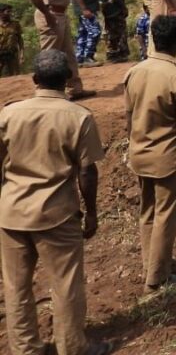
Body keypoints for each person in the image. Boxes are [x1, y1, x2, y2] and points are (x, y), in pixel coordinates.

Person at [0, 50, 111, 355]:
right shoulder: (79, 116)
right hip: (57, 214)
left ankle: (25, 348)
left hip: (11, 214)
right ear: (67, 81)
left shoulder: (8, 113)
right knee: (65, 284)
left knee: (16, 286)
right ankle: (72, 346)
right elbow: (87, 171)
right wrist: (91, 213)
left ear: (34, 79)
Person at [123, 15, 176, 296]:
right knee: (167, 217)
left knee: (148, 213)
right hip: (168, 159)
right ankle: (157, 280)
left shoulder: (135, 72)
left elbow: (129, 117)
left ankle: (155, 265)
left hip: (139, 153)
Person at [0, 3, 24, 77]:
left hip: (12, 55)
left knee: (15, 77)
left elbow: (20, 40)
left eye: (10, 11)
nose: (10, 14)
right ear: (0, 12)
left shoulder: (15, 24)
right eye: (8, 12)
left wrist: (22, 54)